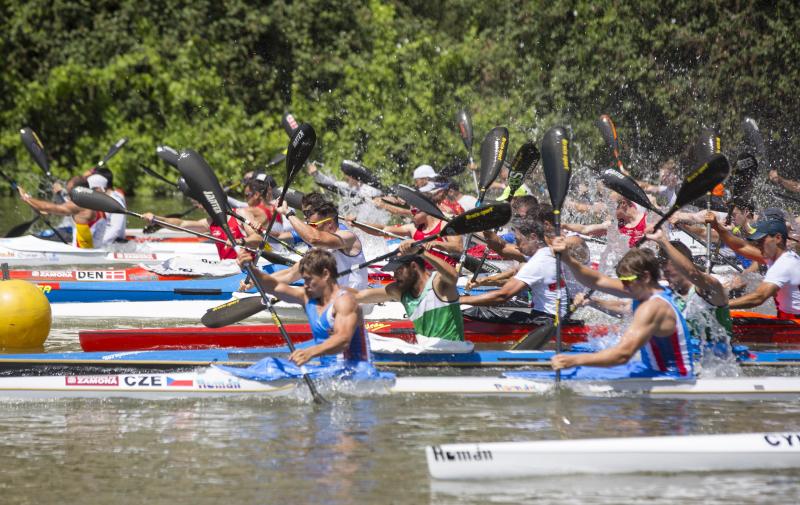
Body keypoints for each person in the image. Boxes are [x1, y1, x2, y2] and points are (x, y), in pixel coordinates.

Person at [550, 241, 695, 377]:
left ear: (645, 277)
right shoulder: (649, 290)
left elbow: (623, 355)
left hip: (673, 378)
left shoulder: (653, 308)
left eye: (626, 281)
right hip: (653, 371)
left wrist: (574, 360)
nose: (624, 287)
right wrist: (567, 259)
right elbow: (597, 281)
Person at [236, 248, 370, 366]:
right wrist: (252, 269)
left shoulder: (345, 301)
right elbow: (275, 286)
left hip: (354, 374)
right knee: (269, 364)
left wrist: (310, 353)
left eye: (308, 279)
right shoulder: (307, 297)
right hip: (326, 371)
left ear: (325, 274)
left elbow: (343, 339)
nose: (305, 285)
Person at [355, 240, 467, 348]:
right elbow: (360, 296)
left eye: (398, 271)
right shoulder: (400, 291)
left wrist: (421, 252)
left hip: (456, 352)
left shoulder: (438, 283)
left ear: (413, 266)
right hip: (427, 354)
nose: (394, 276)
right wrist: (338, 292)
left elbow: (453, 275)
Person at [460, 215, 569, 319]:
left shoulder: (537, 262)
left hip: (547, 321)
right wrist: (485, 226)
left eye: (518, 240)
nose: (516, 246)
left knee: (474, 314)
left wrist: (461, 300)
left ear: (533, 237)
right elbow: (502, 247)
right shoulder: (546, 253)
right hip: (555, 317)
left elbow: (503, 296)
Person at [710, 212, 800, 319]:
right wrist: (717, 226)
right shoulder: (780, 256)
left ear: (778, 238)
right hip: (787, 317)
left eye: (761, 241)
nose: (758, 245)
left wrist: (720, 304)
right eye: (757, 242)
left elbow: (759, 297)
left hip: (795, 323)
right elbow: (741, 247)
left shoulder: (784, 265)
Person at [277, 201, 369, 290]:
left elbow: (313, 238)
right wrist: (264, 281)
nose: (310, 229)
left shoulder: (347, 237)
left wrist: (288, 214)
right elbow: (291, 274)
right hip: (335, 299)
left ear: (329, 223)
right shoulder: (318, 248)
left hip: (354, 300)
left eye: (313, 226)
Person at [18, 176, 108, 249]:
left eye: (70, 193)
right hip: (94, 252)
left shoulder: (80, 206)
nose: (69, 196)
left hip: (82, 257)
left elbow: (47, 207)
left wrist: (26, 197)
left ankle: (5, 269)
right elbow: (62, 209)